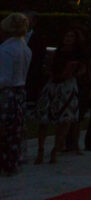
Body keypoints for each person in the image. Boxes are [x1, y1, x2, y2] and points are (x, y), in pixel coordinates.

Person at [34, 30, 84, 163]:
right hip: (53, 84)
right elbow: (46, 68)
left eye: (71, 36)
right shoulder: (55, 52)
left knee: (65, 119)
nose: (68, 38)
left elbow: (83, 68)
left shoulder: (77, 53)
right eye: (66, 35)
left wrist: (73, 72)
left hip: (67, 86)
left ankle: (55, 149)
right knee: (44, 118)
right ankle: (41, 149)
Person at [0, 13, 32, 176]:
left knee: (4, 130)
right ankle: (11, 161)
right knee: (14, 131)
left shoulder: (6, 50)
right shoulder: (25, 48)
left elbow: (4, 78)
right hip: (19, 93)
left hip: (7, 94)